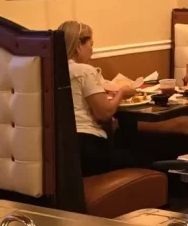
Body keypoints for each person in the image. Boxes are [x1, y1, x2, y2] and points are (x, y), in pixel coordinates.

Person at [58, 20, 150, 175]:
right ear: (79, 46)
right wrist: (121, 93)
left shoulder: (52, 70)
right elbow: (104, 113)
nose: (92, 51)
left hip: (60, 147)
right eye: (91, 45)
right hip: (86, 146)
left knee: (123, 142)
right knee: (142, 158)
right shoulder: (84, 71)